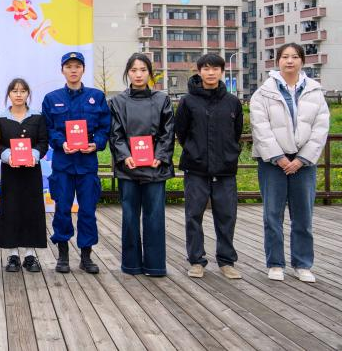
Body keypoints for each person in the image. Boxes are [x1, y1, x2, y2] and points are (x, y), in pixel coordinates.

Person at [250, 43, 329, 283]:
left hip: (304, 163)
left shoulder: (315, 91)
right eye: (285, 57)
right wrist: (280, 158)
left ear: (302, 61)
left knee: (303, 216)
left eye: (295, 57)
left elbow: (321, 128)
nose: (290, 61)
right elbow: (260, 128)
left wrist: (302, 159)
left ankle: (302, 264)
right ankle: (275, 263)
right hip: (272, 162)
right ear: (278, 61)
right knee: (272, 215)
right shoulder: (263, 92)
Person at [175, 54, 243, 279]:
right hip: (196, 167)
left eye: (215, 68)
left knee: (227, 216)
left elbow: (236, 132)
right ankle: (196, 260)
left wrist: (228, 153)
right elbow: (181, 132)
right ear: (199, 71)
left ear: (222, 71)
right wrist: (195, 151)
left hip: (225, 169)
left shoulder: (232, 102)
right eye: (206, 68)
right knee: (193, 215)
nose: (211, 72)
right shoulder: (188, 101)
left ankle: (226, 261)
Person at [42, 52, 110, 274]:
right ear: (62, 70)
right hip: (63, 165)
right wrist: (61, 143)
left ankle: (86, 256)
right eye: (69, 66)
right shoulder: (51, 98)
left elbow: (104, 127)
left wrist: (96, 144)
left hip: (87, 164)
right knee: (62, 209)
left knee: (88, 210)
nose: (73, 70)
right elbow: (48, 129)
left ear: (83, 69)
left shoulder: (96, 97)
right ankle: (63, 255)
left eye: (77, 66)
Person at [109, 53, 175, 277]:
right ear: (127, 73)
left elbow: (168, 132)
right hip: (128, 167)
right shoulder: (117, 102)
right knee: (129, 217)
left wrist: (161, 155)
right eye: (134, 70)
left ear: (150, 73)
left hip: (155, 166)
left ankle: (155, 265)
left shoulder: (162, 99)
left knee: (154, 217)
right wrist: (124, 155)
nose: (138, 75)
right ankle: (131, 264)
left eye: (143, 70)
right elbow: (115, 133)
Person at [0, 78, 49, 272]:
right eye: (15, 91)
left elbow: (43, 142)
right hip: (10, 171)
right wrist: (8, 156)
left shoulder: (38, 117)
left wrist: (34, 155)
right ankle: (13, 255)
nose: (19, 94)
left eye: (23, 91)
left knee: (32, 209)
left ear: (28, 94)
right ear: (9, 94)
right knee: (11, 209)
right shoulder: (0, 118)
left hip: (32, 171)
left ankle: (30, 255)